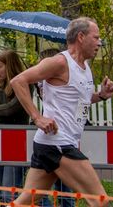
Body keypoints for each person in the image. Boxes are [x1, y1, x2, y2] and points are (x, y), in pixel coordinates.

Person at [10, 17, 113, 207]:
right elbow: (18, 81)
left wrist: (101, 95)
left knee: (25, 202)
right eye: (96, 37)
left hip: (52, 144)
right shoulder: (59, 62)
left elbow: (79, 101)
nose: (99, 43)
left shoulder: (84, 67)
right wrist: (37, 117)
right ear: (81, 37)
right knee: (100, 201)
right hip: (58, 143)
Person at [0, 50, 30, 203]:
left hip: (15, 142)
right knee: (1, 193)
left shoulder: (24, 84)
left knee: (10, 193)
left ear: (9, 66)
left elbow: (12, 109)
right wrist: (3, 111)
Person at [36, 48, 74, 207]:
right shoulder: (42, 82)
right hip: (47, 139)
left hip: (64, 138)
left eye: (42, 64)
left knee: (64, 186)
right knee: (38, 190)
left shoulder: (67, 82)